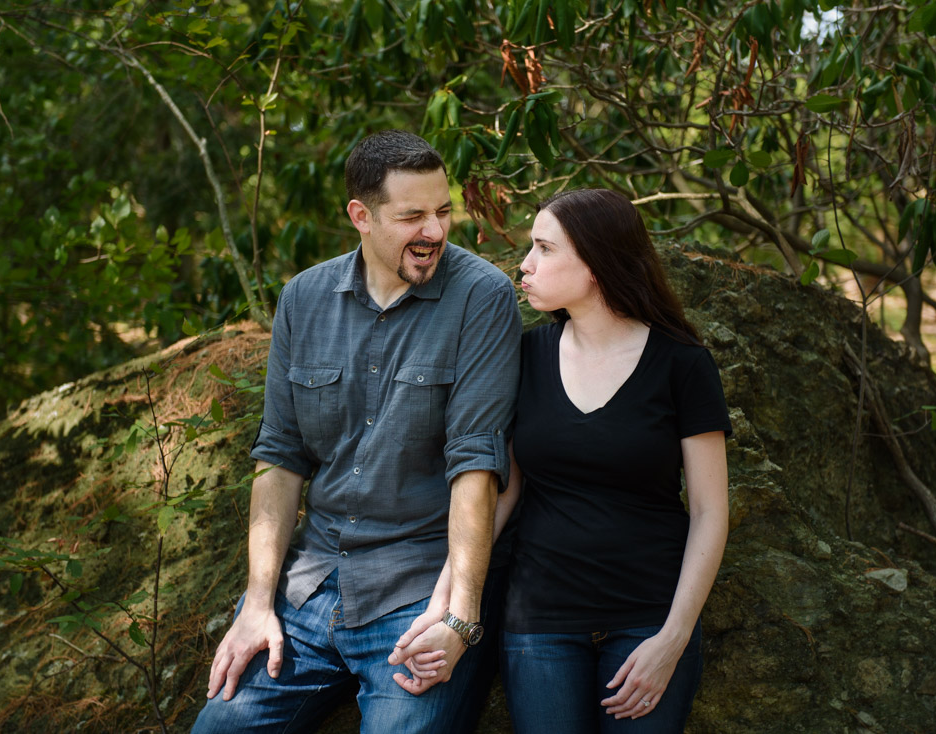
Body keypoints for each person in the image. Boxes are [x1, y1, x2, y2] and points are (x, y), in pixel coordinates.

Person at [192, 130, 522, 733]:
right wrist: (257, 603)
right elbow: (279, 458)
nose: (435, 231)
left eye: (444, 211)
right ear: (361, 217)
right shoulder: (303, 298)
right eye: (413, 216)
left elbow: (477, 463)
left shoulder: (482, 297)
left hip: (419, 594)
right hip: (309, 587)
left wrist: (460, 617)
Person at [502, 188, 731, 733]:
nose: (525, 264)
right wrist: (447, 598)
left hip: (649, 621)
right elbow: (503, 491)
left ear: (596, 263)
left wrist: (673, 639)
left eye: (544, 249)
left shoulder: (683, 364)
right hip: (540, 624)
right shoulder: (525, 356)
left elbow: (709, 511)